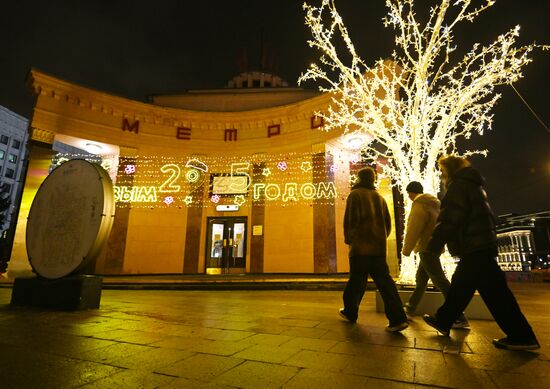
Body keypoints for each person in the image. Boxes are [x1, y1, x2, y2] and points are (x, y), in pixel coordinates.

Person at [423, 156, 539, 350]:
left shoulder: (458, 186)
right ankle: (444, 319)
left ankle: (522, 336)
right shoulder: (474, 186)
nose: (441, 175)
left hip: (473, 246)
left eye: (442, 171)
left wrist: (434, 245)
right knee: (464, 286)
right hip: (480, 245)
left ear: (449, 170)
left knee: (495, 294)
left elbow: (450, 218)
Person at [340, 167, 408, 332]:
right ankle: (398, 319)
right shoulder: (379, 198)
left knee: (356, 281)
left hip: (360, 248)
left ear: (359, 178)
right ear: (373, 179)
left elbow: (351, 220)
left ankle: (350, 312)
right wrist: (379, 239)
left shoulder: (355, 195)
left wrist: (350, 239)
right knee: (385, 282)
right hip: (378, 249)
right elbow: (388, 225)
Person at [401, 181, 469, 328]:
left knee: (440, 280)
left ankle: (458, 315)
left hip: (426, 246)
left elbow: (414, 227)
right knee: (421, 279)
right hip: (435, 245)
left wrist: (406, 250)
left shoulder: (420, 204)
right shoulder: (435, 204)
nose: (409, 196)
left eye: (408, 193)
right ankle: (410, 308)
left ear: (412, 192)